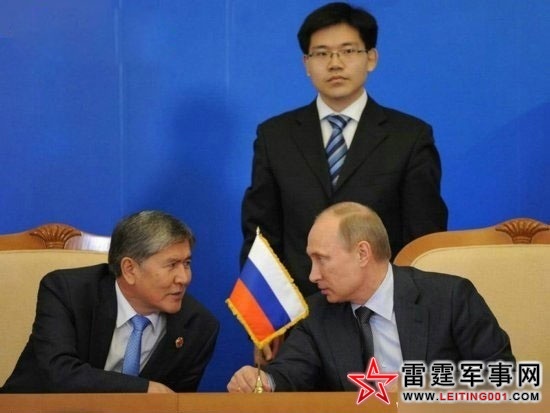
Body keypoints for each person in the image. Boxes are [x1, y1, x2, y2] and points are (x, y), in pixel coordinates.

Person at [240, 2, 448, 301]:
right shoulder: (275, 137)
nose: (335, 63)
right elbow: (261, 235)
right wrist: (268, 315)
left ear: (371, 58)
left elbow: (423, 235)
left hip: (383, 305)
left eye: (348, 51)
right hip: (299, 308)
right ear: (306, 63)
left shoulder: (409, 137)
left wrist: (410, 309)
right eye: (322, 53)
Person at [228, 202, 514, 392]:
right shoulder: (317, 313)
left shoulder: (449, 298)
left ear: (362, 253)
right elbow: (291, 373)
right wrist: (264, 380)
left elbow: (503, 376)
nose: (313, 275)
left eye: (322, 259)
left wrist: (421, 385)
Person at [1, 211, 219, 393]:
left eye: (186, 263)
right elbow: (59, 372)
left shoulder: (198, 326)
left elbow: (176, 403)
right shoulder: (67, 292)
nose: (184, 278)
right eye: (172, 265)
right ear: (130, 269)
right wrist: (142, 389)